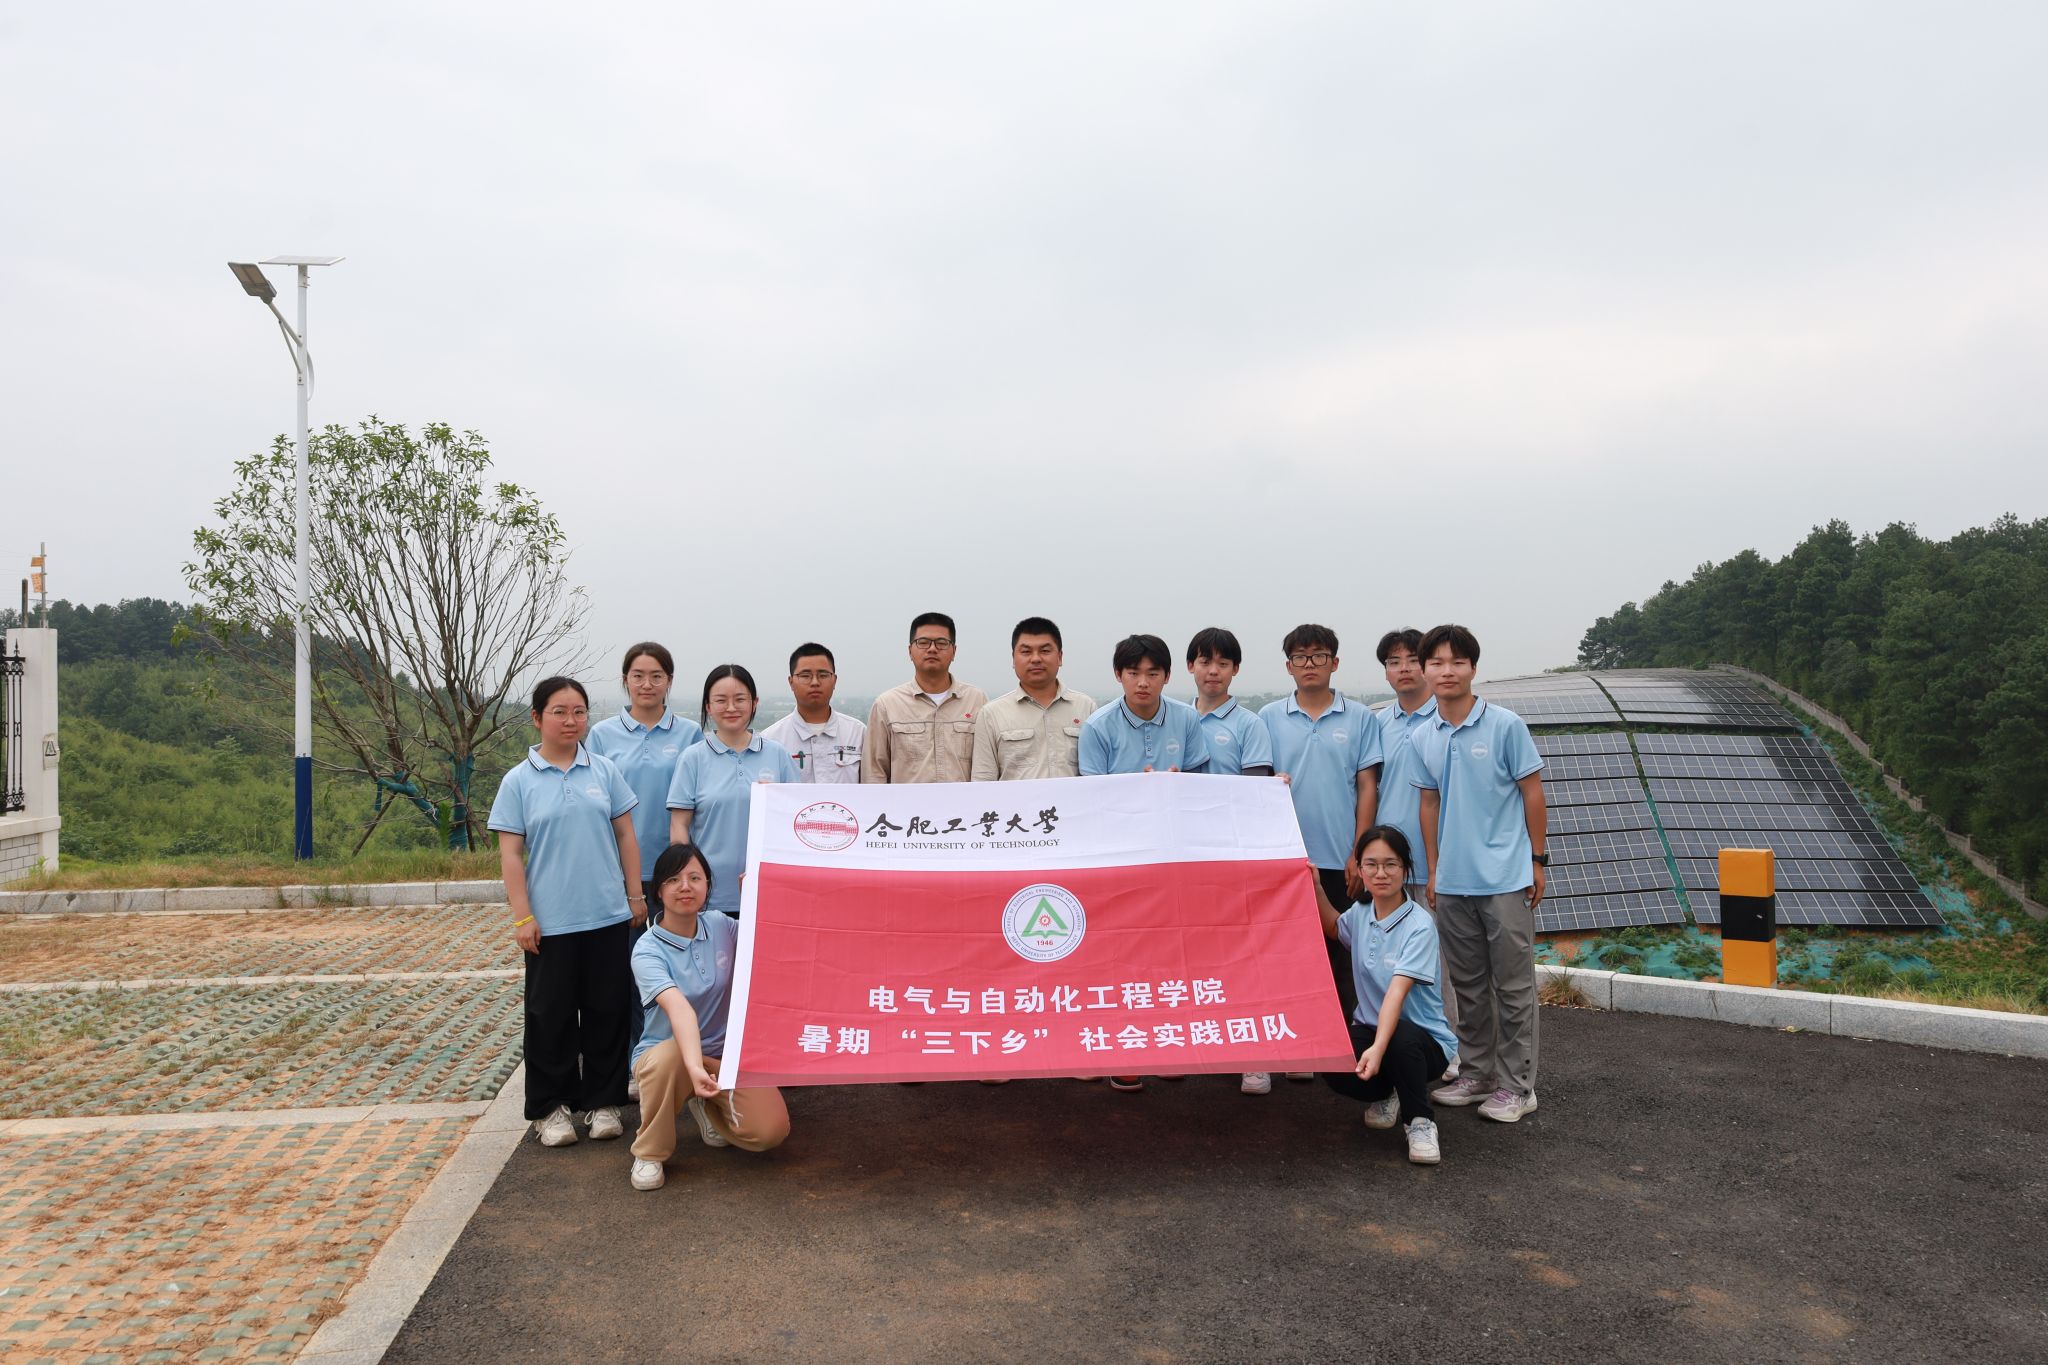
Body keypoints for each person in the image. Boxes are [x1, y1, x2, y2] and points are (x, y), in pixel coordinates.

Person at [489, 676, 644, 1149]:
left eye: (579, 711)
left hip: (607, 915)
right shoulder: (519, 780)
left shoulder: (604, 770)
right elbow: (511, 854)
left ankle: (603, 1102)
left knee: (607, 1011)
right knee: (549, 1015)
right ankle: (550, 1108)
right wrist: (522, 917)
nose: (571, 720)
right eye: (559, 711)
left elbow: (625, 836)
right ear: (537, 718)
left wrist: (634, 896)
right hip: (550, 921)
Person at [1412, 624, 1548, 1124]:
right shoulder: (1423, 735)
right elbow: (1429, 803)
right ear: (1425, 670)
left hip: (1506, 877)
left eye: (1457, 662)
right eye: (1437, 663)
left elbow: (1532, 792)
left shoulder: (1505, 725)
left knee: (1513, 988)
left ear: (1473, 667)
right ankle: (1477, 1073)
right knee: (1468, 987)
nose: (1446, 671)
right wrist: (1433, 869)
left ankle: (1518, 1086)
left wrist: (1537, 859)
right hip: (1452, 881)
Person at [1080, 634, 1209, 1093]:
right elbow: (1092, 798)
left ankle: (1168, 1045)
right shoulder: (1098, 726)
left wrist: (1175, 786)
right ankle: (1124, 1051)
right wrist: (1138, 792)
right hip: (1119, 860)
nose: (1143, 682)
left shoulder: (1187, 718)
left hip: (1172, 856)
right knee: (1119, 955)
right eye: (1133, 672)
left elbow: (1200, 781)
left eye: (1153, 673)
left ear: (1168, 676)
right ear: (1119, 675)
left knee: (1170, 954)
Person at [628, 842, 791, 1191]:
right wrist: (694, 1067)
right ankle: (649, 1152)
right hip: (667, 1054)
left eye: (694, 877)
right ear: (658, 891)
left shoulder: (719, 925)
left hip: (723, 1056)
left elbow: (767, 942)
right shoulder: (647, 949)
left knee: (770, 1132)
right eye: (673, 880)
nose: (685, 887)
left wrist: (756, 897)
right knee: (669, 1058)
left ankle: (706, 1105)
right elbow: (680, 1010)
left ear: (708, 886)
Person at [1260, 624, 1383, 1031]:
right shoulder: (1268, 717)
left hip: (1341, 859)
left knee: (1347, 957)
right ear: (1289, 666)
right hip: (1288, 859)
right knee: (1289, 956)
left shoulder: (1360, 717)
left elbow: (1367, 786)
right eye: (1300, 657)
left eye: (1318, 655)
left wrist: (1359, 852)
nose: (1309, 664)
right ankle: (1299, 1040)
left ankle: (1349, 1044)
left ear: (1335, 662)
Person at [1313, 826, 1457, 1165]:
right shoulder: (1361, 912)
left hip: (1423, 1042)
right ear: (1360, 869)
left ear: (1405, 869)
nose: (1381, 873)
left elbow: (1396, 994)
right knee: (1331, 1059)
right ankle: (1391, 1090)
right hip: (1375, 1031)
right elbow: (1334, 927)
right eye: (1371, 864)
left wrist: (1377, 1048)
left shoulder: (1419, 925)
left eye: (1390, 864)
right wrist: (1315, 886)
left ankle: (1419, 1121)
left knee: (1399, 1039)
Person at [1185, 627, 1283, 1097]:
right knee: (1199, 956)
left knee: (1246, 955)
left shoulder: (1249, 724)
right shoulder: (1176, 719)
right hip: (1187, 857)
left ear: (1235, 670)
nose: (1213, 671)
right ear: (1190, 667)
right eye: (1205, 662)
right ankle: (1207, 1043)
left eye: (1222, 663)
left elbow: (1255, 790)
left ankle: (1256, 1057)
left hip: (1236, 855)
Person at [666, 665, 799, 919]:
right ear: (708, 706)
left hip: (767, 888)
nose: (731, 707)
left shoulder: (777, 755)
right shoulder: (692, 758)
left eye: (740, 699)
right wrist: (687, 877)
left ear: (754, 703)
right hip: (709, 894)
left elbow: (793, 821)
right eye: (721, 700)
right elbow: (679, 825)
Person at [587, 641, 703, 906]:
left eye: (656, 676)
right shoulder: (602, 734)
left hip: (676, 865)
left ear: (669, 681)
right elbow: (594, 802)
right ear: (625, 680)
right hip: (617, 866)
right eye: (638, 676)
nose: (647, 685)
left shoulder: (690, 733)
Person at [863, 612, 989, 784]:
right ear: (910, 651)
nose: (932, 649)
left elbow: (986, 768)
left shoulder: (976, 700)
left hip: (963, 802)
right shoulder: (887, 704)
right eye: (923, 642)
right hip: (907, 802)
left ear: (954, 651)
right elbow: (873, 773)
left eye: (941, 643)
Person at [972, 617, 1096, 780]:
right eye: (1026, 652)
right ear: (1013, 658)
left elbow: (1097, 774)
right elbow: (983, 780)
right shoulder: (992, 713)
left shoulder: (1086, 707)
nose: (1036, 659)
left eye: (1045, 651)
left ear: (1060, 657)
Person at [1366, 629, 1437, 900]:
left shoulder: (1447, 719)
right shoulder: (1377, 724)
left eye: (1413, 660)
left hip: (1440, 863)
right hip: (1388, 862)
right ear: (1386, 672)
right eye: (1394, 662)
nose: (1404, 668)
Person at [760, 642, 866, 785]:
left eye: (823, 675)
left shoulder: (858, 734)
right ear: (791, 682)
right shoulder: (770, 740)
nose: (815, 682)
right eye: (805, 676)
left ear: (834, 680)